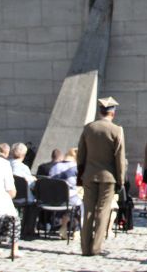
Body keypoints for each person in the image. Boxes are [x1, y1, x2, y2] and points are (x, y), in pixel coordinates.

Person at [77, 96, 126, 256]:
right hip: (108, 177)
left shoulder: (88, 128)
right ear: (113, 113)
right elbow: (119, 158)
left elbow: (81, 155)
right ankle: (96, 248)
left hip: (89, 175)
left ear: (100, 111)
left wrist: (80, 175)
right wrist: (121, 180)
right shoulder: (117, 130)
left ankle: (85, 247)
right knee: (103, 212)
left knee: (89, 211)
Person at [49, 147, 82, 239]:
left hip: (53, 198)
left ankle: (63, 227)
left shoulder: (54, 166)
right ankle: (77, 230)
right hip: (68, 198)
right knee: (81, 202)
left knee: (72, 203)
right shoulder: (76, 168)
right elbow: (78, 185)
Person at [10, 142, 37, 238]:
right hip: (22, 197)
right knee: (34, 204)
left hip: (8, 197)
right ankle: (28, 229)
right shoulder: (24, 168)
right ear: (24, 155)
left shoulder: (6, 165)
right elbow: (32, 185)